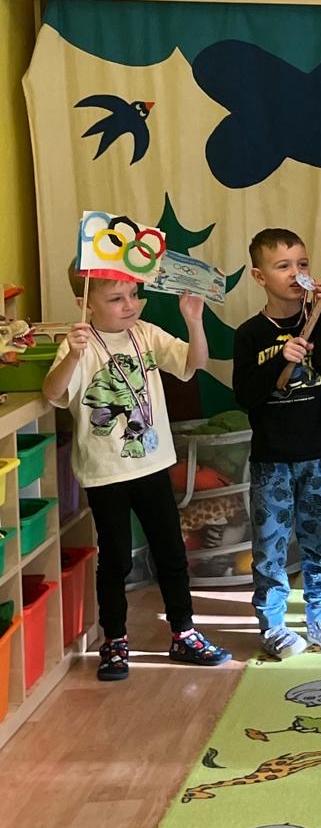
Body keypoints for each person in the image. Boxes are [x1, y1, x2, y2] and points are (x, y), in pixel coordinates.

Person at [44, 276, 230, 680]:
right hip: (104, 472)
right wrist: (72, 356)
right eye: (116, 298)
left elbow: (194, 363)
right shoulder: (80, 342)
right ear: (85, 303)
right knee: (115, 558)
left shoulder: (144, 333)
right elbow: (54, 393)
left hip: (152, 465)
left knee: (171, 552)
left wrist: (194, 321)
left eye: (133, 295)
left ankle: (184, 632)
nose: (130, 305)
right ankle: (115, 640)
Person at [232, 228, 321, 658]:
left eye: (302, 264)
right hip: (273, 460)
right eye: (283, 266)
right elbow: (246, 395)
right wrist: (280, 360)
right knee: (270, 547)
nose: (296, 273)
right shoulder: (250, 334)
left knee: (320, 543)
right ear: (259, 277)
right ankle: (273, 625)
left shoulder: (317, 318)